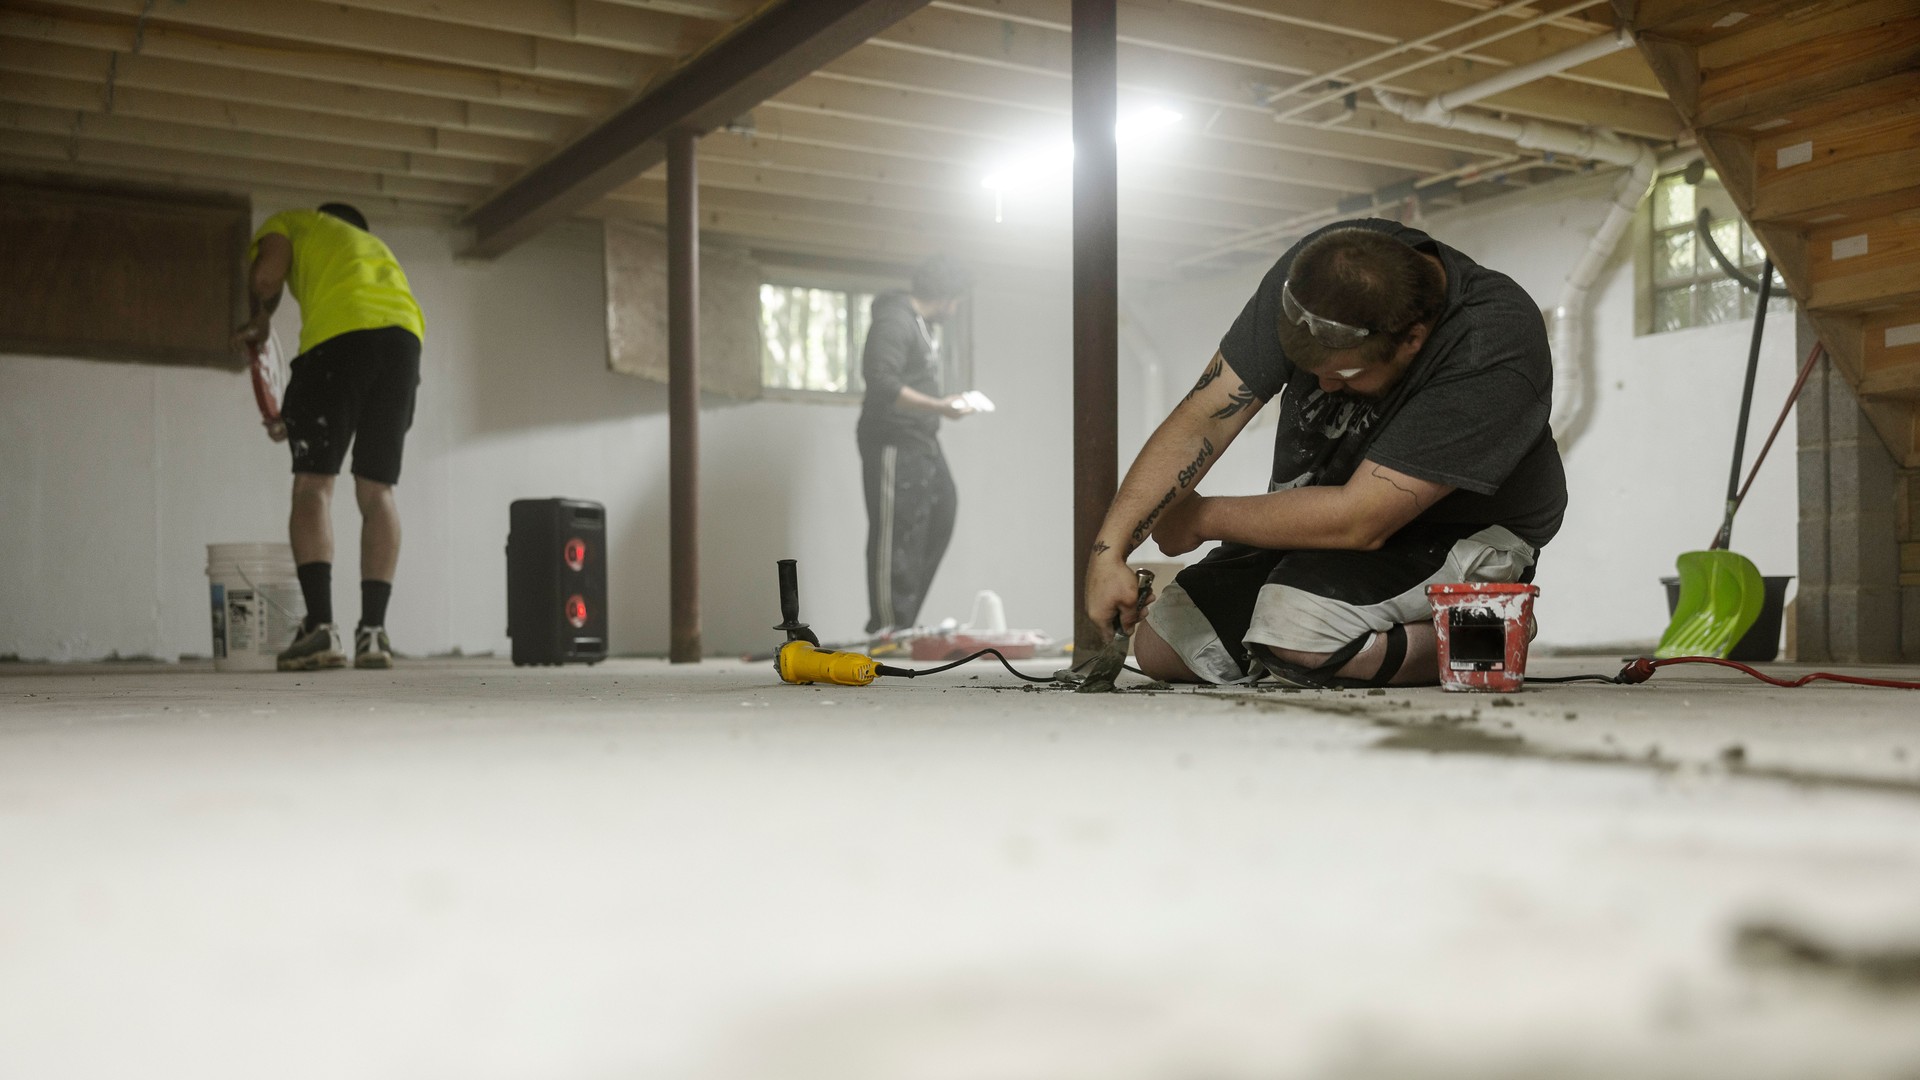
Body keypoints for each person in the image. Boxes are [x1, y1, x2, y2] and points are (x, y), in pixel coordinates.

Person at [1084, 219, 1566, 687]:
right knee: (1165, 644)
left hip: (1460, 527)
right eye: (1308, 368)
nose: (1324, 384)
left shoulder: (1491, 338)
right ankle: (1319, 643)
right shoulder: (1315, 280)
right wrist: (1110, 551)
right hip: (1332, 514)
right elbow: (1207, 412)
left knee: (1295, 633)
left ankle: (1486, 636)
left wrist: (1198, 517)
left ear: (1412, 339)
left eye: (1346, 374)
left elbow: (1362, 519)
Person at [236, 203, 425, 672]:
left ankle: (320, 627)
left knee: (313, 485)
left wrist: (259, 314)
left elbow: (266, 276)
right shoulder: (378, 252)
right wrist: (300, 414)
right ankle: (374, 633)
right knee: (377, 489)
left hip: (339, 340)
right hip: (404, 344)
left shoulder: (299, 221)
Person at [857, 255, 977, 636]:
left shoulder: (921, 326)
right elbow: (882, 383)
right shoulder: (894, 321)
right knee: (895, 528)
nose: (955, 308)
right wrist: (941, 406)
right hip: (893, 437)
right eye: (955, 300)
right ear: (944, 296)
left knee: (943, 510)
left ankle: (903, 621)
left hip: (922, 438)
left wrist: (942, 404)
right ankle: (888, 627)